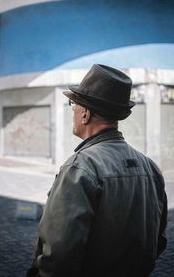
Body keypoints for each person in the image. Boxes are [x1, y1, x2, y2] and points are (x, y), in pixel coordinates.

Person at [26, 64, 167, 277]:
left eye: (73, 104)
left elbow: (58, 258)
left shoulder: (81, 167)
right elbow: (158, 241)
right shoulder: (151, 168)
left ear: (85, 114)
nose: (72, 110)